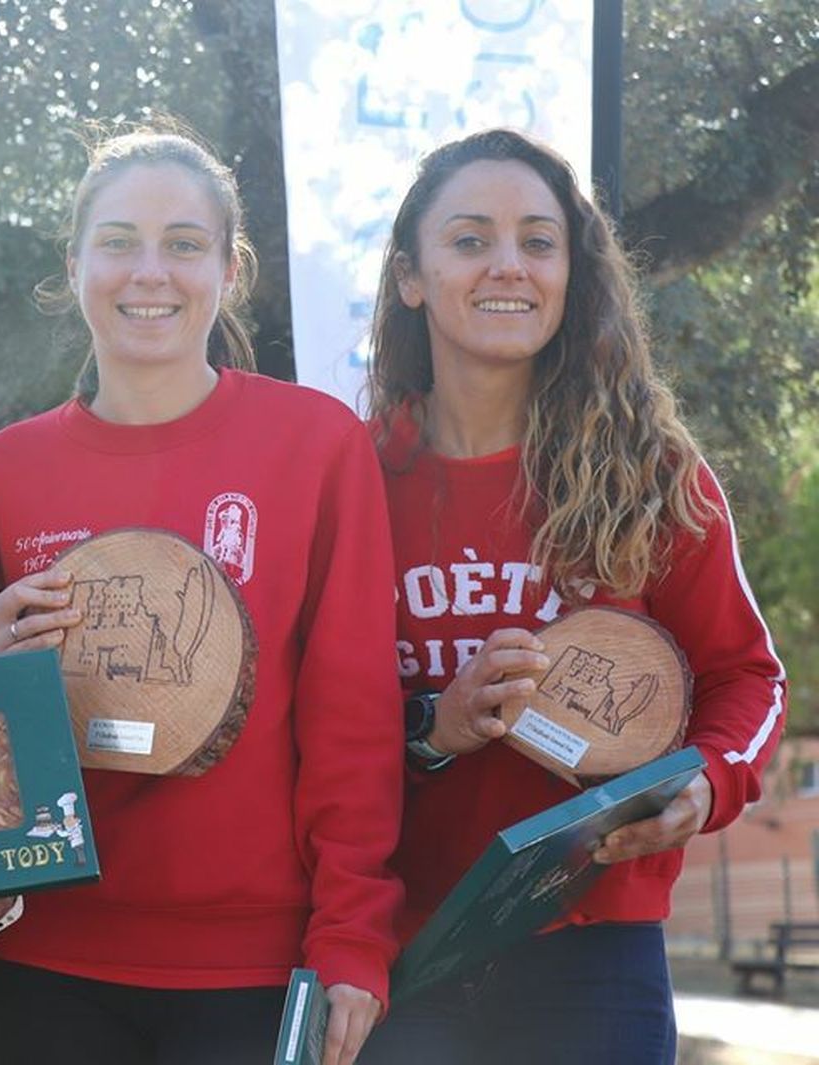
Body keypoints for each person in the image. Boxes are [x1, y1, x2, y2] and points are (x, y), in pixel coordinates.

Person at [0, 126, 404, 1065]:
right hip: (49, 956)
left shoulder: (316, 447)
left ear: (230, 268)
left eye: (184, 244)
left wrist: (353, 932)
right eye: (118, 241)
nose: (149, 271)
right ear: (76, 262)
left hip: (252, 968)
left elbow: (355, 713)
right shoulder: (6, 470)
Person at [357, 128, 787, 1065]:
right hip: (401, 950)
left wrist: (707, 783)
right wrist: (436, 725)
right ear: (411, 277)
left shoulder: (650, 473)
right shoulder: (351, 479)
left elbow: (750, 679)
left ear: (571, 273)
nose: (507, 264)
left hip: (595, 944)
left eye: (538, 240)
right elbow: (307, 726)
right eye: (470, 239)